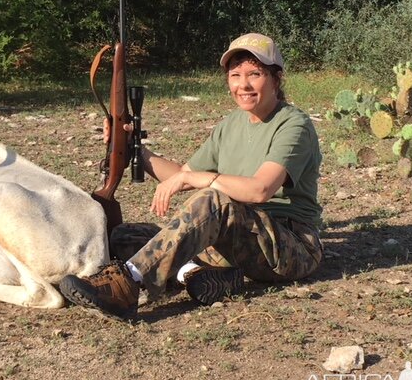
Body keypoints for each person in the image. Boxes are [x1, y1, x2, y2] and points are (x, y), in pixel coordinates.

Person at [60, 33, 324, 320]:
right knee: (124, 237)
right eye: (235, 75)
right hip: (235, 238)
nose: (243, 85)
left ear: (275, 78)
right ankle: (199, 273)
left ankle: (129, 285)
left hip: (290, 246)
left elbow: (260, 190)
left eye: (255, 74)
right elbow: (181, 175)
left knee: (214, 200)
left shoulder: (293, 125)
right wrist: (134, 148)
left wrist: (204, 180)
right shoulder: (231, 124)